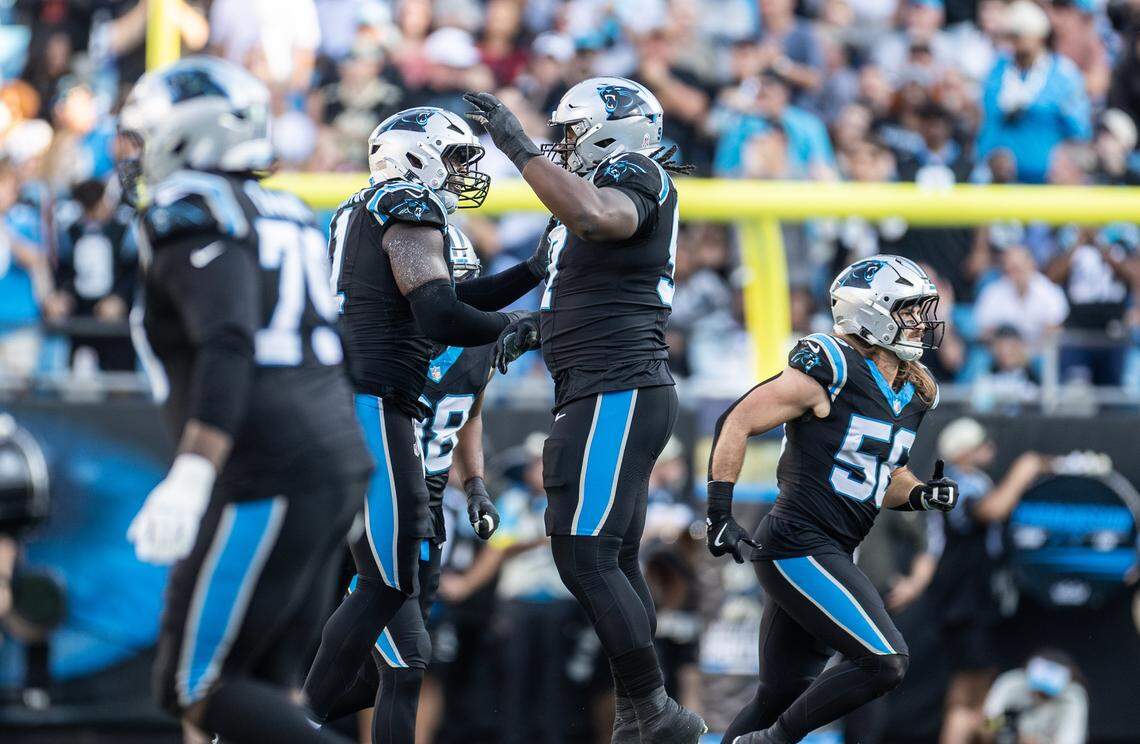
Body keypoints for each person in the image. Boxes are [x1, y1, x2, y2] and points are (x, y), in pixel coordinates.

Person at [119, 56, 373, 744]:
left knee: (191, 684)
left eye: (144, 136)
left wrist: (195, 470)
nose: (135, 155)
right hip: (328, 453)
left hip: (268, 463)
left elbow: (229, 341)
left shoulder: (192, 210)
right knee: (265, 682)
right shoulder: (283, 207)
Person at [466, 78, 706, 743]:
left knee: (585, 553)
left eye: (569, 134)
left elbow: (603, 219)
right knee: (613, 557)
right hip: (606, 386)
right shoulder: (593, 194)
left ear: (611, 131)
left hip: (617, 388)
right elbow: (593, 289)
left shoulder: (631, 174)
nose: (560, 148)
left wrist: (514, 146)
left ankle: (653, 708)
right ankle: (641, 711)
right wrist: (535, 326)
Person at [302, 105, 550, 737]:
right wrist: (520, 329)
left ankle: (280, 716)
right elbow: (441, 313)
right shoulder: (403, 202)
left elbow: (452, 299)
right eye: (458, 155)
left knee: (406, 646)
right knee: (388, 579)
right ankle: (277, 721)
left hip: (371, 402)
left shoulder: (372, 210)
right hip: (371, 401)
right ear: (415, 156)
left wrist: (529, 276)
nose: (467, 170)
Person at [704, 256, 960, 744]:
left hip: (830, 550)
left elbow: (882, 478)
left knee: (777, 696)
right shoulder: (832, 364)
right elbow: (737, 420)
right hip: (798, 543)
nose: (923, 323)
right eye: (910, 310)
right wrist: (719, 512)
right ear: (871, 312)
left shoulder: (916, 389)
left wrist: (922, 494)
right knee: (886, 661)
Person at [305, 230, 504, 744]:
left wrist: (476, 482)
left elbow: (471, 415)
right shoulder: (388, 345)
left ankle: (266, 723)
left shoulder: (476, 345)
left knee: (378, 675)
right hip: (384, 512)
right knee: (407, 662)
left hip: (429, 520)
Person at [929, 418, 1050, 744]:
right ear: (965, 452)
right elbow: (991, 511)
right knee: (969, 687)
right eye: (982, 444)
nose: (990, 449)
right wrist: (1022, 472)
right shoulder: (955, 482)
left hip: (977, 599)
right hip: (962, 600)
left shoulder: (976, 479)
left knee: (980, 687)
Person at [981, 650, 1088, 744]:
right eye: (1036, 689)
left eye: (1045, 694)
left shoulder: (1073, 698)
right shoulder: (1011, 683)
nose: (1038, 696)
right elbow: (987, 723)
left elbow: (1071, 740)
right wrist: (1010, 727)